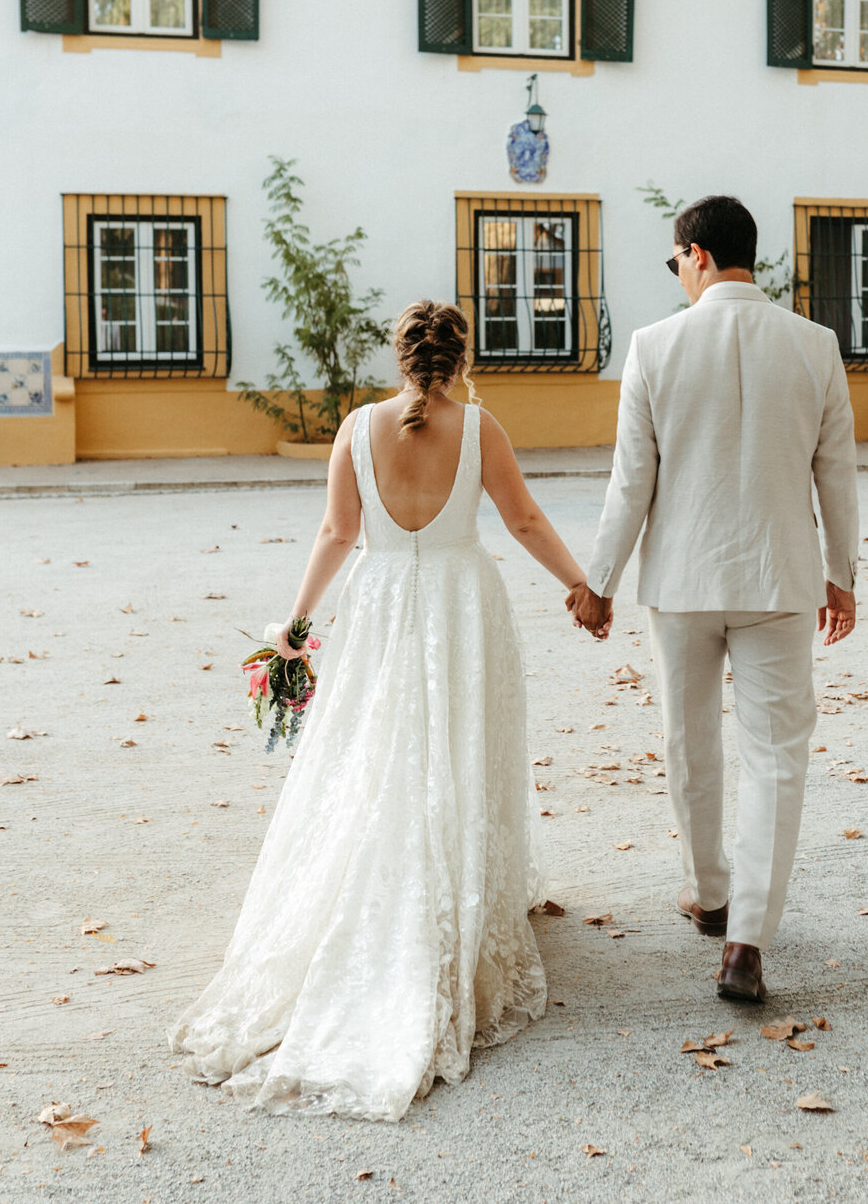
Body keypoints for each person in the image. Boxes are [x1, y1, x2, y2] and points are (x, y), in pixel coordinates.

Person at [170, 300, 598, 1121]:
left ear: (399, 356)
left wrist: (296, 625)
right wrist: (580, 584)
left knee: (375, 749)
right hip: (459, 605)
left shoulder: (356, 427)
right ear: (461, 353)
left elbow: (337, 531)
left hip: (376, 605)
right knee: (459, 749)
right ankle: (450, 887)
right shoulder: (481, 428)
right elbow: (524, 519)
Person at [570, 196, 858, 1004]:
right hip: (779, 578)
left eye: (674, 261)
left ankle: (710, 892)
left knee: (689, 738)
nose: (678, 273)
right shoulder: (815, 346)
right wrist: (843, 574)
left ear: (695, 255)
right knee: (776, 758)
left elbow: (632, 481)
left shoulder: (654, 347)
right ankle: (745, 944)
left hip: (685, 581)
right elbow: (835, 470)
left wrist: (599, 583)